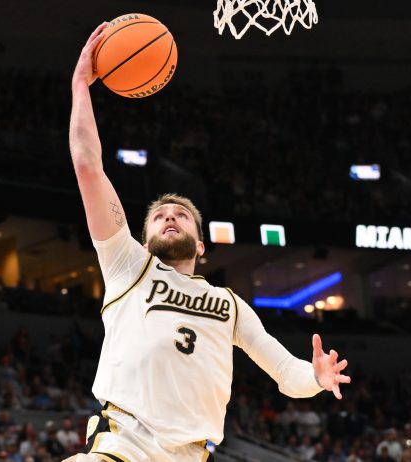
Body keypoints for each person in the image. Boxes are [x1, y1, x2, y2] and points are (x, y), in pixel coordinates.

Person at [63, 22, 351, 462]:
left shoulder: (231, 306)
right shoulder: (129, 267)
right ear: (144, 238)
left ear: (201, 246)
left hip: (191, 455)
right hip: (124, 443)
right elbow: (87, 164)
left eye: (181, 215)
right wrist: (80, 85)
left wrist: (315, 376)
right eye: (159, 215)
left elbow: (286, 373)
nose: (169, 216)